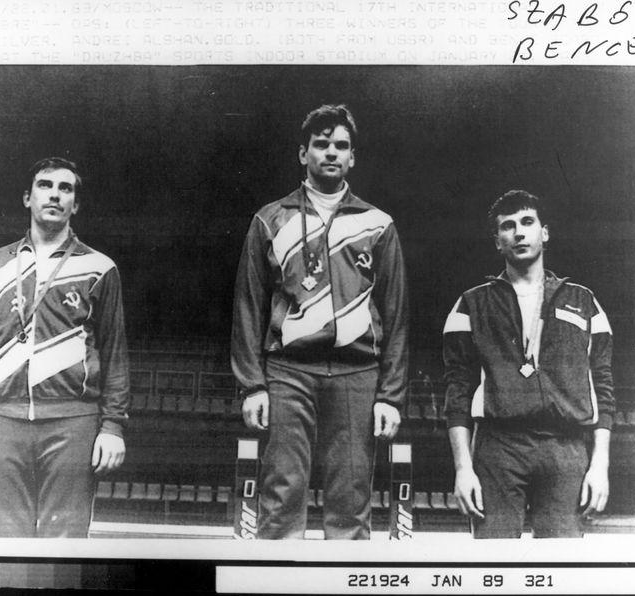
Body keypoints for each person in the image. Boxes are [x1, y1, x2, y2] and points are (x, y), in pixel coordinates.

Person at [231, 104, 409, 539]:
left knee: (351, 502)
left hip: (357, 375)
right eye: (321, 144)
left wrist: (391, 396)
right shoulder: (270, 219)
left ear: (353, 158)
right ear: (303, 153)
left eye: (341, 146)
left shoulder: (377, 224)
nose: (331, 152)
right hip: (288, 373)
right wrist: (252, 385)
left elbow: (397, 315)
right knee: (281, 495)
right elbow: (249, 307)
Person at [0, 157, 130, 537]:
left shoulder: (100, 269)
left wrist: (112, 426)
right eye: (45, 185)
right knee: (4, 544)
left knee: (64, 547)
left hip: (73, 423)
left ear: (75, 205)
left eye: (66, 189)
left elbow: (115, 355)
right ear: (27, 198)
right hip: (1, 421)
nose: (55, 195)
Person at [443, 189, 615, 538]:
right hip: (498, 448)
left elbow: (603, 387)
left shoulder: (583, 301)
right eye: (508, 226)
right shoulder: (470, 304)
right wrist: (463, 468)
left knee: (562, 563)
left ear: (544, 232)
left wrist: (600, 465)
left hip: (565, 447)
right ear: (497, 241)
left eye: (527, 222)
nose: (519, 232)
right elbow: (457, 392)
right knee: (493, 561)